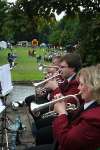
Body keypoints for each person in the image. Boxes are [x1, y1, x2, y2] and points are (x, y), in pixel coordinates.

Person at [26, 65, 100, 150]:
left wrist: (62, 113)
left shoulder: (95, 118)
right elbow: (77, 119)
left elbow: (67, 142)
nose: (78, 87)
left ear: (93, 87)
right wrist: (64, 107)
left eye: (82, 84)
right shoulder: (91, 103)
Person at [32, 53, 84, 145]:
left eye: (62, 67)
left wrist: (55, 88)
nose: (59, 69)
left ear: (72, 68)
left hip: (66, 118)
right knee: (38, 126)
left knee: (40, 132)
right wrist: (48, 88)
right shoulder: (67, 79)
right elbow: (55, 98)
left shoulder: (76, 82)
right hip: (60, 113)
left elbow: (65, 103)